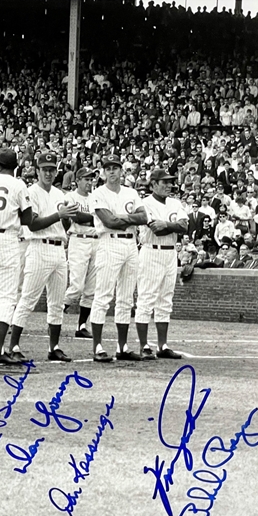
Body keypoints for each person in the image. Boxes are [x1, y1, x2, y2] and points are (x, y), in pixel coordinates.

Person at [7, 153, 77, 362]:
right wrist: (59, 215)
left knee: (56, 302)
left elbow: (65, 225)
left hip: (58, 248)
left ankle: (54, 346)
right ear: (37, 171)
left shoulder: (59, 194)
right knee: (27, 298)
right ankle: (14, 346)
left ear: (56, 172)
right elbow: (33, 224)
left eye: (51, 169)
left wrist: (66, 218)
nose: (48, 173)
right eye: (44, 169)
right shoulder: (30, 192)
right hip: (38, 247)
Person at [88, 155, 149, 362]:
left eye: (115, 168)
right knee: (103, 295)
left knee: (125, 297)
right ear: (103, 171)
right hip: (109, 242)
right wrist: (127, 219)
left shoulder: (131, 192)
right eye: (108, 168)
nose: (112, 171)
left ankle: (122, 347)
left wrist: (121, 218)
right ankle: (97, 346)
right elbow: (108, 221)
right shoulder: (98, 193)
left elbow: (144, 217)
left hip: (131, 243)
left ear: (122, 170)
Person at [0, 148, 33, 363]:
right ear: (15, 166)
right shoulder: (18, 184)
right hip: (7, 238)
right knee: (8, 298)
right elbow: (27, 218)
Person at [134, 169, 188, 360]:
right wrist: (170, 226)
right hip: (151, 251)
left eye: (170, 182)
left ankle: (162, 345)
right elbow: (156, 230)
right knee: (146, 298)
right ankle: (144, 345)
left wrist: (166, 224)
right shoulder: (144, 203)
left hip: (171, 253)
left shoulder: (175, 202)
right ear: (153, 184)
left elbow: (185, 226)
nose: (168, 185)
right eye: (164, 182)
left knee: (166, 299)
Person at [63, 167, 99, 338]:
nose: (89, 182)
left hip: (96, 241)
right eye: (86, 179)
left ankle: (81, 326)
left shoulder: (95, 197)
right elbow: (76, 216)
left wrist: (92, 217)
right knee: (76, 286)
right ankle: (56, 316)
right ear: (77, 180)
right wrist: (95, 217)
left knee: (91, 289)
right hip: (78, 239)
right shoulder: (70, 196)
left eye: (91, 179)